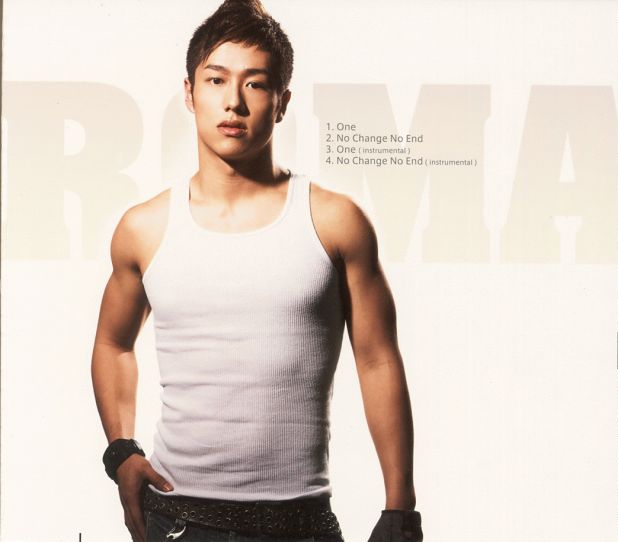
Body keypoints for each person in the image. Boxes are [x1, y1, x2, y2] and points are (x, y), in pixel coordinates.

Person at [91, 1, 422, 540]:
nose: (233, 101)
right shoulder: (145, 228)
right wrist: (121, 451)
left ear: (282, 102)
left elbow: (378, 359)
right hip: (176, 520)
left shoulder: (335, 221)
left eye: (255, 83)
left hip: (301, 524)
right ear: (189, 92)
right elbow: (113, 343)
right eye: (216, 79)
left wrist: (400, 507)